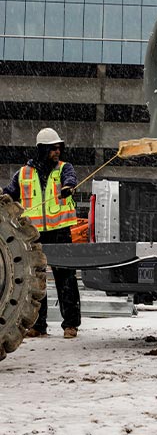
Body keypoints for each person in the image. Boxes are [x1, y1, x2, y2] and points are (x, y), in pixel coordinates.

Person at [2, 128, 81, 339]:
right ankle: (38, 325)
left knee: (66, 279)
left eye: (59, 148)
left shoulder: (64, 168)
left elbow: (70, 179)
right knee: (37, 281)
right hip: (35, 234)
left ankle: (70, 325)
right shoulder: (24, 173)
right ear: (42, 149)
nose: (57, 152)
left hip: (61, 231)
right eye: (53, 148)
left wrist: (68, 187)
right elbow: (9, 193)